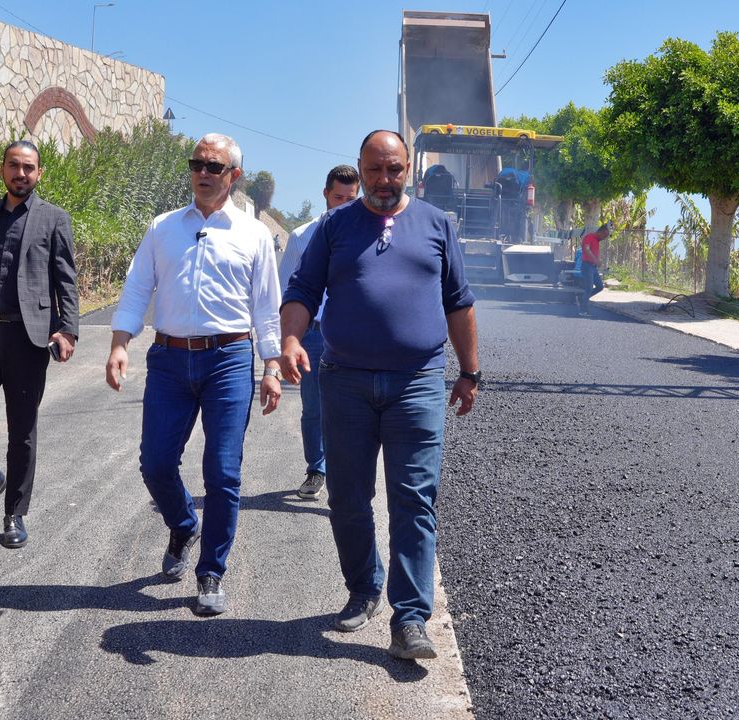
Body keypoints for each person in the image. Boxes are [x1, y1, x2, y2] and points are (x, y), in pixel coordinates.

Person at [279, 130, 479, 660]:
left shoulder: (437, 224)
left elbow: (458, 301)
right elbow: (302, 290)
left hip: (417, 382)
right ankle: (364, 586)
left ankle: (410, 618)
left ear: (408, 169)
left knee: (414, 499)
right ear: (360, 168)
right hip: (344, 381)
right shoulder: (335, 226)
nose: (384, 180)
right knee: (347, 497)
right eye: (374, 170)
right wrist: (291, 339)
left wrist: (470, 371)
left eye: (394, 169)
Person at [105, 133, 283, 616]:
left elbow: (267, 307)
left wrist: (271, 365)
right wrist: (120, 344)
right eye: (197, 163)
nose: (203, 173)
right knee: (155, 463)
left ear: (234, 176)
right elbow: (137, 288)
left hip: (229, 360)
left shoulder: (253, 234)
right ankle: (184, 525)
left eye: (214, 166)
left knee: (222, 471)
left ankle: (211, 571)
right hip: (169, 360)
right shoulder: (163, 227)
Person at [0, 140, 79, 549]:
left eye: (28, 167)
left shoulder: (54, 218)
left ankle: (14, 512)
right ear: (2, 169)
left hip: (29, 338)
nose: (20, 173)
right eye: (14, 165)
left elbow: (66, 279)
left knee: (21, 428)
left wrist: (67, 329)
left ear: (39, 173)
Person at [276, 164, 360, 500]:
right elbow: (285, 292)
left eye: (351, 199)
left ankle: (348, 478)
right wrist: (286, 343)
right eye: (338, 197)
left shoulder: (369, 235)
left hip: (352, 335)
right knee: (314, 408)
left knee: (352, 408)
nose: (343, 205)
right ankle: (316, 469)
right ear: (325, 194)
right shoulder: (302, 236)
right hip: (312, 335)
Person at [578, 221, 610, 314]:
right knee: (588, 288)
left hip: (593, 267)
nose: (604, 238)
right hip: (587, 266)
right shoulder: (589, 237)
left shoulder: (596, 240)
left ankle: (583, 299)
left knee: (600, 286)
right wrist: (595, 260)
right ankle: (583, 310)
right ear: (600, 232)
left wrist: (597, 261)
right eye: (604, 236)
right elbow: (586, 250)